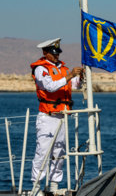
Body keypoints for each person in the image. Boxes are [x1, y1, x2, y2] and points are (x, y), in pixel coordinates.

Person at [30, 38, 83, 195]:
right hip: (48, 116)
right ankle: (36, 186)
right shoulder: (40, 69)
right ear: (45, 53)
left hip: (63, 115)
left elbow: (73, 85)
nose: (56, 56)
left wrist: (79, 77)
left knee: (59, 152)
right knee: (43, 151)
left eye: (58, 53)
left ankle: (54, 185)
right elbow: (49, 86)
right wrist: (70, 75)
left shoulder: (63, 69)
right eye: (53, 54)